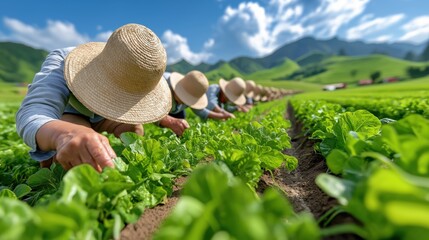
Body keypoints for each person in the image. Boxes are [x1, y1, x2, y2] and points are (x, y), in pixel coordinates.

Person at [15, 23, 172, 172]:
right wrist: (63, 134)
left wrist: (164, 119)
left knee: (133, 130)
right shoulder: (62, 61)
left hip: (103, 119)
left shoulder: (138, 72)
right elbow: (34, 111)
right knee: (71, 161)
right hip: (70, 115)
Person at [158, 70, 209, 136]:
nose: (186, 103)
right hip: (157, 106)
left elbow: (201, 111)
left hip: (175, 109)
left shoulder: (192, 89)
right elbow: (149, 108)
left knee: (181, 129)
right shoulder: (161, 84)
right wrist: (170, 121)